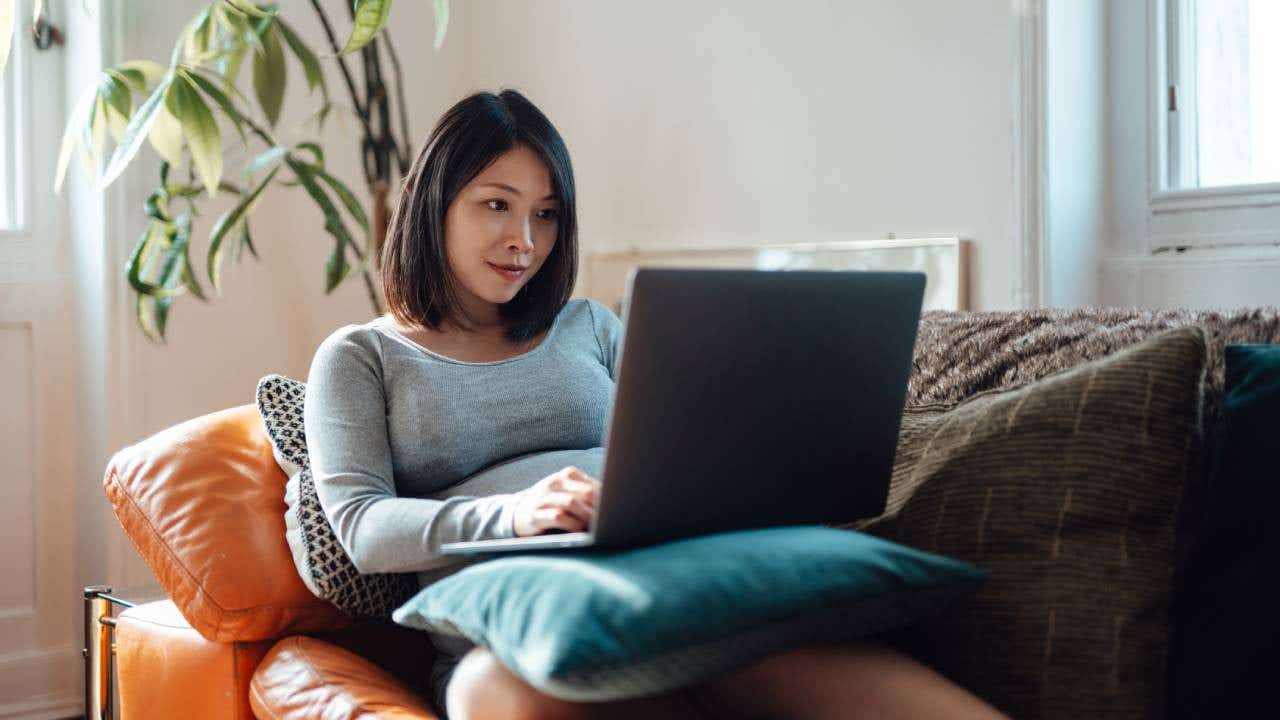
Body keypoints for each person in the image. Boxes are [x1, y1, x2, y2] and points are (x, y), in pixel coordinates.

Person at [304, 88, 1009, 720]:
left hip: (667, 597)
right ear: (433, 202)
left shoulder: (589, 327)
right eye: (497, 204)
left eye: (546, 215)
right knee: (496, 694)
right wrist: (514, 513)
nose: (525, 240)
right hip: (518, 639)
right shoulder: (363, 357)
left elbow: (663, 463)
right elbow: (362, 527)